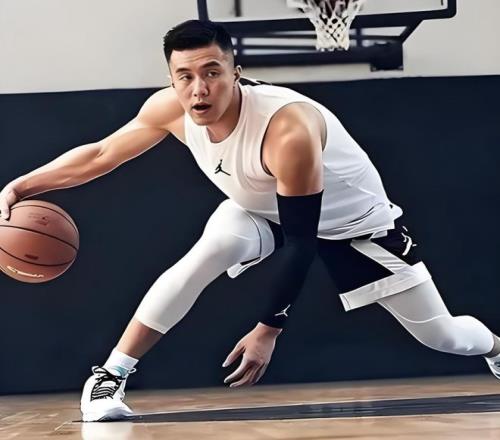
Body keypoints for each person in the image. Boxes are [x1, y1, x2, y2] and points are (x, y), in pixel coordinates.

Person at [1, 19, 499, 422]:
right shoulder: (169, 109)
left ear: (236, 72)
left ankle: (496, 348)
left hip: (355, 230)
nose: (199, 88)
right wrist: (21, 187)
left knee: (445, 338)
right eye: (185, 76)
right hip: (261, 211)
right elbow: (100, 155)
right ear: (172, 80)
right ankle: (110, 375)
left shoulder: (288, 130)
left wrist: (267, 329)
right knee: (211, 249)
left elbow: (302, 242)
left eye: (212, 72)